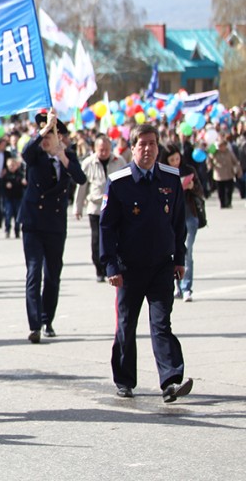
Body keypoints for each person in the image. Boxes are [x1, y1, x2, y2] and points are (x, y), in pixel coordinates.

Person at [100, 124, 193, 403]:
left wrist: (179, 258)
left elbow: (178, 222)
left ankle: (171, 380)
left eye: (152, 143)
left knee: (161, 323)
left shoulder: (170, 178)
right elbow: (107, 228)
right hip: (129, 268)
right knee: (126, 325)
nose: (148, 149)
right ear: (132, 148)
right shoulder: (119, 182)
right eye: (142, 144)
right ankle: (125, 380)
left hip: (162, 265)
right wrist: (111, 266)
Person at [19, 113, 85, 343]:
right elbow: (26, 152)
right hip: (33, 223)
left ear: (60, 137)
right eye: (43, 135)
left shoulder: (68, 157)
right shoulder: (35, 155)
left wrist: (63, 157)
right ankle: (34, 325)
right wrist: (43, 129)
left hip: (55, 224)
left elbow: (80, 178)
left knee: (53, 274)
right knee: (34, 272)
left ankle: (47, 319)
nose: (46, 139)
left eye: (50, 134)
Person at [75, 136, 125, 283]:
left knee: (114, 238)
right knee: (97, 239)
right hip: (95, 207)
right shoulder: (88, 163)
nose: (104, 153)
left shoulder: (119, 161)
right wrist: (78, 208)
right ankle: (99, 268)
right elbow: (82, 186)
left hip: (114, 207)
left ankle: (113, 266)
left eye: (107, 150)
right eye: (101, 150)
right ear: (95, 149)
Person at [161, 145, 202, 302]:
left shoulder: (188, 169)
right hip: (171, 217)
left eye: (177, 159)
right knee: (173, 251)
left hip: (190, 215)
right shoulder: (163, 174)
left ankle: (186, 288)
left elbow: (201, 190)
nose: (175, 162)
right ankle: (177, 285)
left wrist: (192, 187)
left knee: (187, 251)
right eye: (172, 160)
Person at [210, 136, 241, 208]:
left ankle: (228, 203)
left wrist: (238, 170)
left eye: (223, 145)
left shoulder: (229, 152)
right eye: (220, 146)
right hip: (219, 175)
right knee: (220, 191)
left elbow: (235, 162)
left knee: (229, 190)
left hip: (229, 174)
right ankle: (222, 203)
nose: (221, 147)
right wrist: (210, 156)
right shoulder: (215, 153)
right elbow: (210, 161)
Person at [0, 157, 25, 238]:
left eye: (13, 165)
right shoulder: (5, 175)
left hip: (18, 197)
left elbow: (23, 185)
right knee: (8, 214)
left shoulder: (20, 174)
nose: (12, 167)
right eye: (10, 165)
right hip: (8, 198)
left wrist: (23, 183)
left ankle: (17, 231)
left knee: (17, 215)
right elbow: (1, 185)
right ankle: (7, 230)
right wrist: (6, 185)